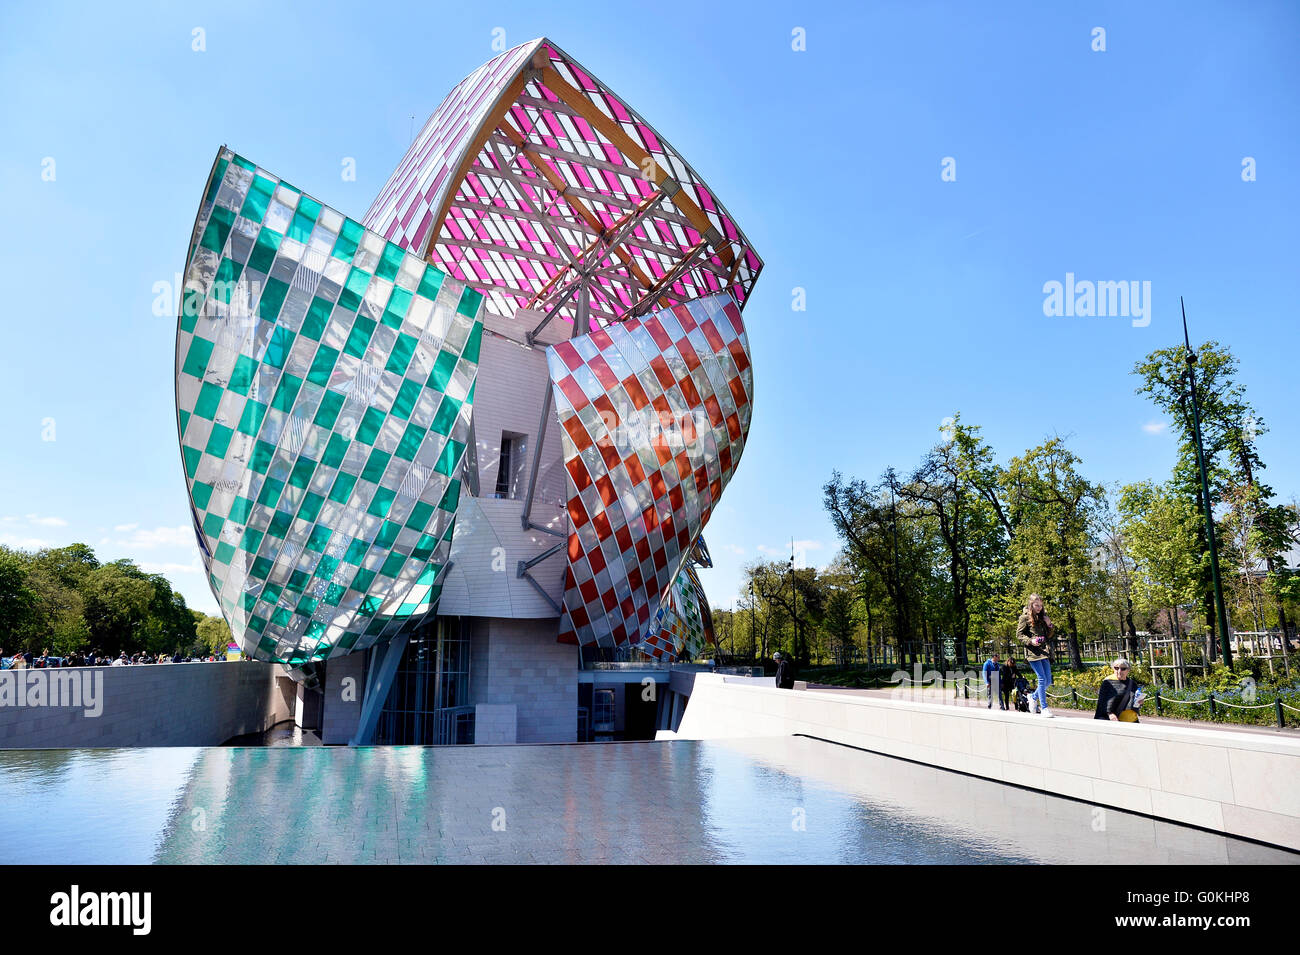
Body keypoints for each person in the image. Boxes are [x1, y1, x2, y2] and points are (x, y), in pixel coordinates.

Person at [1016, 594, 1055, 717]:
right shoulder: (1024, 618)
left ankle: (1032, 697)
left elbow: (1049, 635)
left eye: (1040, 605)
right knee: (1042, 678)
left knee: (1048, 681)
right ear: (1031, 605)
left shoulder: (1043, 617)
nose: (1039, 607)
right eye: (1036, 605)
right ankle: (1044, 708)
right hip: (1033, 653)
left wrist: (1049, 624)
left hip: (1044, 651)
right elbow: (1019, 635)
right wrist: (1030, 641)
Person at [1094, 658, 1142, 723]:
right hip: (1115, 721)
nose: (1119, 671)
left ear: (1128, 670)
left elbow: (1134, 702)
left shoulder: (1132, 683)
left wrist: (1140, 702)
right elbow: (1102, 702)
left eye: (1123, 669)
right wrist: (1110, 714)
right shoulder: (1108, 682)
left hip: (1132, 720)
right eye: (1116, 668)